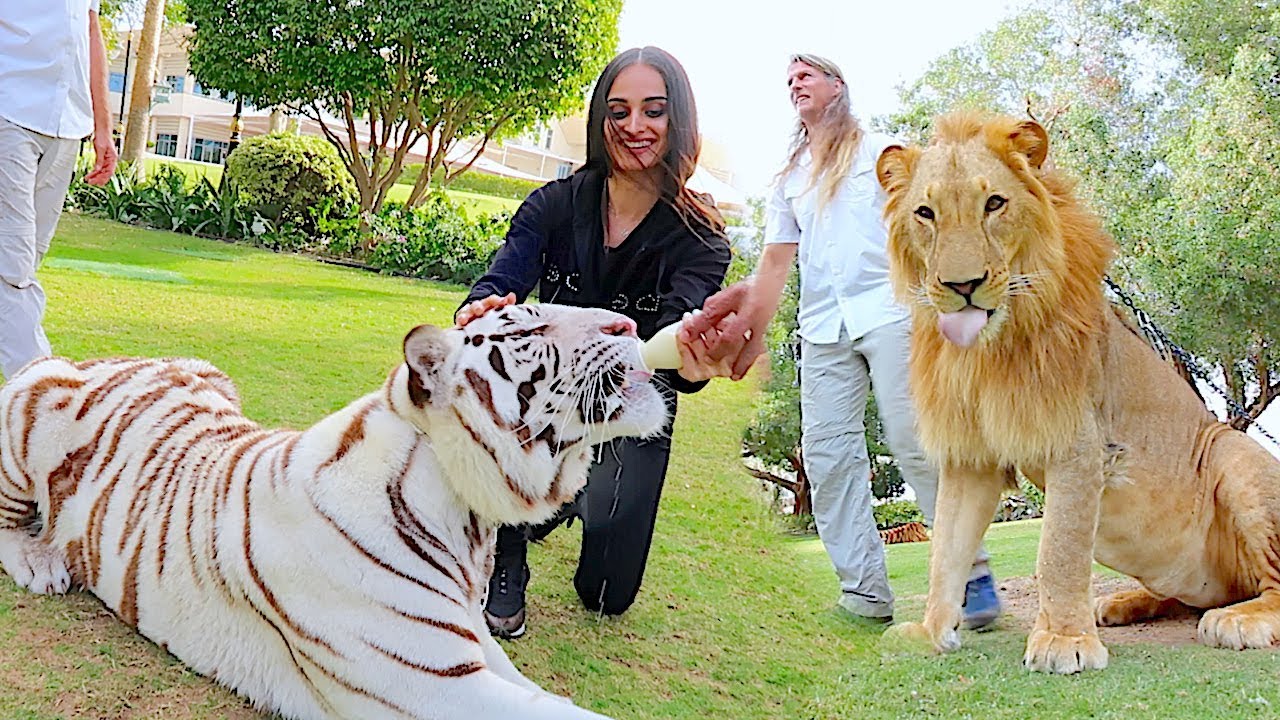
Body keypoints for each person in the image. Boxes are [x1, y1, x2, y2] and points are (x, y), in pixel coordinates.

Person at [680, 54, 1002, 628]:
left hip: (893, 311)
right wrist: (750, 328)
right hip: (822, 327)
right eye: (789, 80)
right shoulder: (791, 177)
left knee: (916, 440)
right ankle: (865, 593)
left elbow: (929, 225)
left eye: (807, 75)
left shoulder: (889, 154)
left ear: (838, 86)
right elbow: (777, 262)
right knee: (827, 457)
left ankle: (970, 577)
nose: (795, 84)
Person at [456, 46, 732, 639]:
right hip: (542, 400)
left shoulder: (702, 238)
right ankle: (509, 548)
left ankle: (562, 502)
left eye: (654, 110)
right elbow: (503, 280)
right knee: (496, 412)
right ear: (599, 122)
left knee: (606, 595)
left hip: (625, 408)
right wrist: (478, 306)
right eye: (619, 111)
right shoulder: (554, 204)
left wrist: (697, 360)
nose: (635, 127)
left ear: (678, 119)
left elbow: (677, 347)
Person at [0, 0, 118, 381]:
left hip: (68, 123)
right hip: (9, 111)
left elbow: (89, 33)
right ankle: (46, 390)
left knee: (27, 257)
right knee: (13, 261)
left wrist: (103, 126)